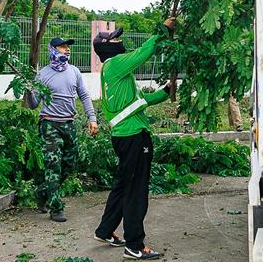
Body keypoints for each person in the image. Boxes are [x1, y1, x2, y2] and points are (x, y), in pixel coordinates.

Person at [92, 20, 175, 260]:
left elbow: (141, 102)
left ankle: (105, 230)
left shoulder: (117, 73)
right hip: (133, 137)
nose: (120, 41)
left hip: (124, 136)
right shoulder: (116, 64)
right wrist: (162, 28)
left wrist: (165, 91)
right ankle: (134, 245)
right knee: (136, 191)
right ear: (107, 47)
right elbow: (144, 52)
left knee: (123, 185)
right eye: (115, 39)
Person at [27, 37, 99, 222]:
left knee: (69, 165)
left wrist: (92, 118)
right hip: (49, 124)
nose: (67, 50)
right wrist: (28, 91)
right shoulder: (43, 74)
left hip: (69, 124)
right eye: (62, 47)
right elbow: (34, 105)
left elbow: (83, 94)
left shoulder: (74, 71)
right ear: (52, 49)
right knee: (54, 166)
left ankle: (42, 192)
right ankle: (56, 208)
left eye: (68, 47)